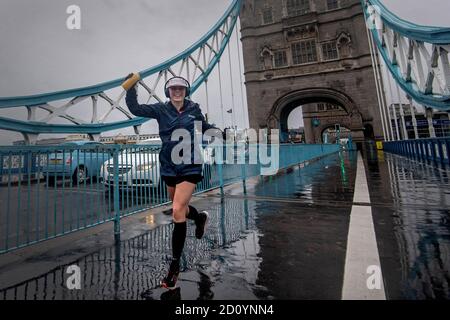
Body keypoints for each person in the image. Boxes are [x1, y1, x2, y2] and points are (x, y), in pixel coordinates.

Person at [123, 73, 220, 290]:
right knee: (181, 208)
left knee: (176, 210)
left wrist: (219, 133)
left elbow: (203, 127)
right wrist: (131, 88)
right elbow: (136, 109)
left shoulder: (194, 109)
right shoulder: (160, 109)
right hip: (169, 165)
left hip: (191, 164)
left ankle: (174, 266)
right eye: (173, 89)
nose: (177, 91)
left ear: (186, 91)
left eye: (181, 89)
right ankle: (200, 217)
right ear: (168, 92)